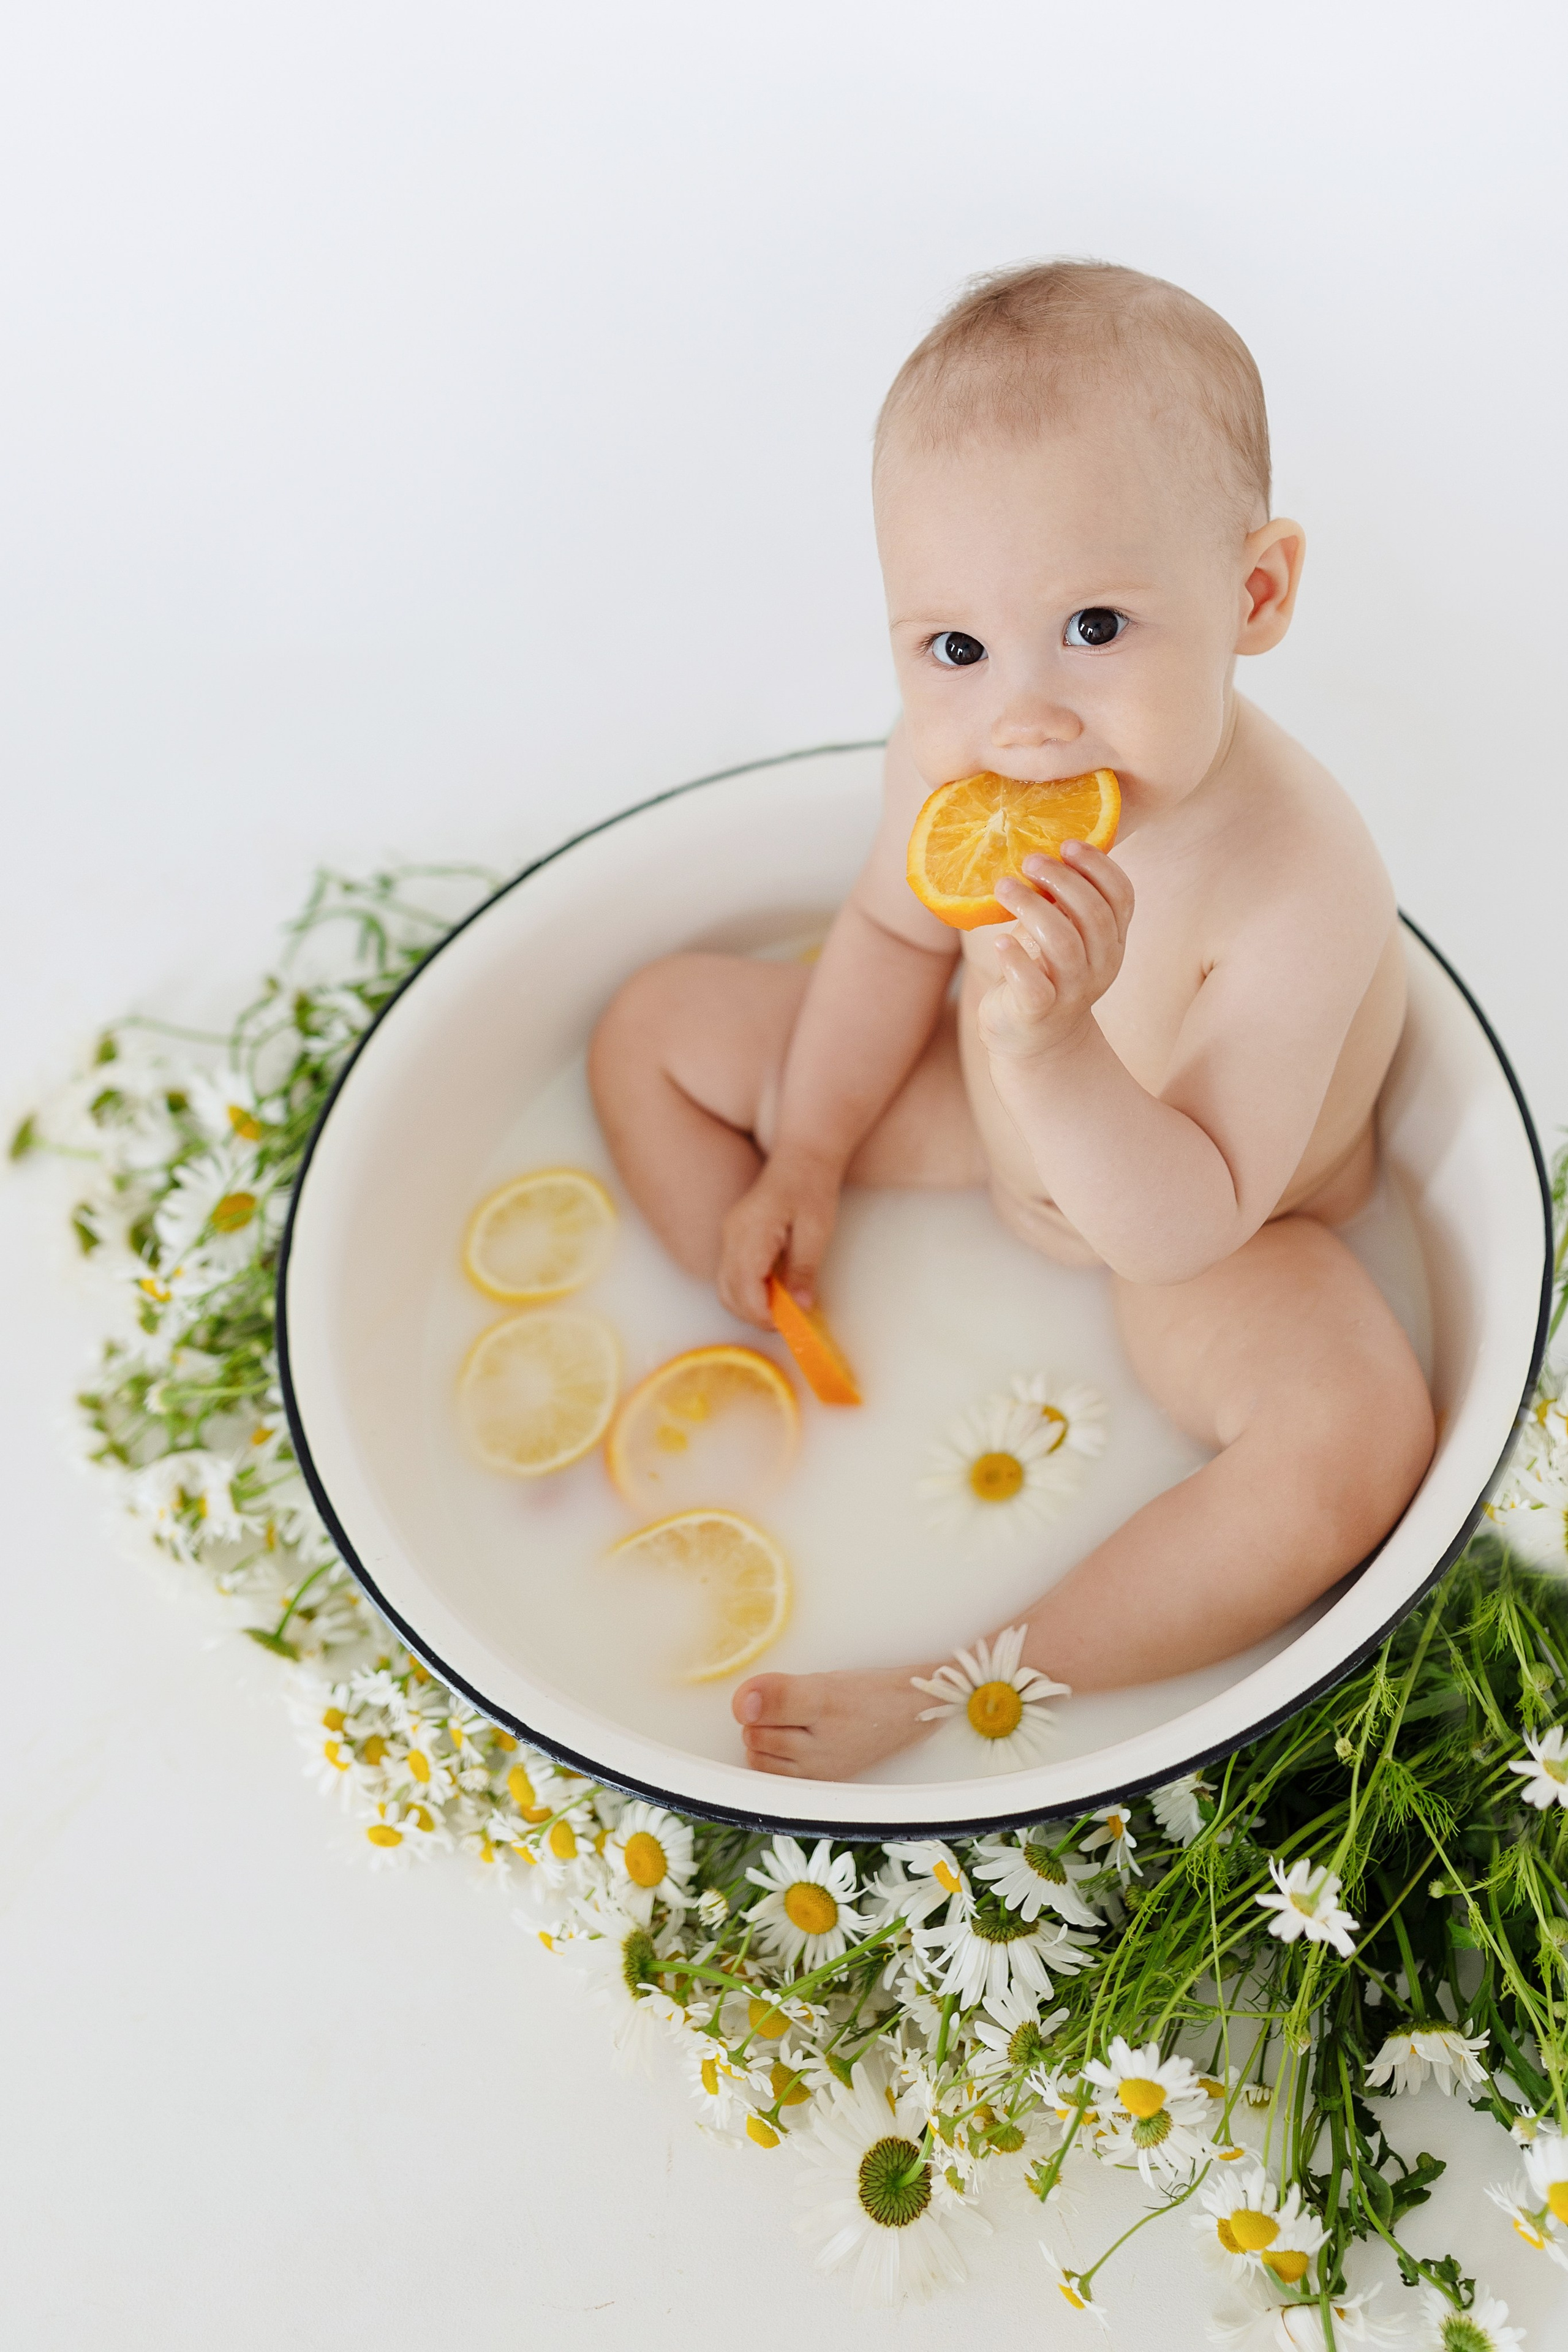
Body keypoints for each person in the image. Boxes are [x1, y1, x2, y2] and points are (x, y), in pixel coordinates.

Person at [589, 260, 1434, 1781]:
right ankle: (766, 1326)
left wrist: (1050, 1050)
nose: (1020, 718)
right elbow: (882, 935)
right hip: (988, 1119)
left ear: (1253, 594)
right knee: (653, 1027)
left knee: (1351, 1460)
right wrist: (810, 1153)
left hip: (1226, 1227)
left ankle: (966, 1683)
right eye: (954, 649)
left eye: (1094, 625)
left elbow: (1185, 1218)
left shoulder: (1296, 875)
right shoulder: (953, 761)